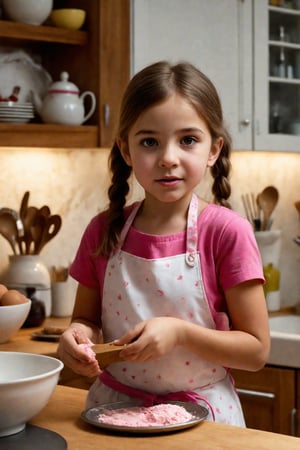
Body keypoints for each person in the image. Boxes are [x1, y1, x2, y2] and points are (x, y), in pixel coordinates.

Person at [57, 61, 270, 426]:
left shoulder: (225, 233)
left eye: (188, 140)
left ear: (213, 149)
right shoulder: (102, 230)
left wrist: (180, 333)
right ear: (126, 150)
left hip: (205, 421)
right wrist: (76, 336)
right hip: (113, 412)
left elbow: (256, 351)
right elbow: (86, 320)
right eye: (150, 142)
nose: (168, 158)